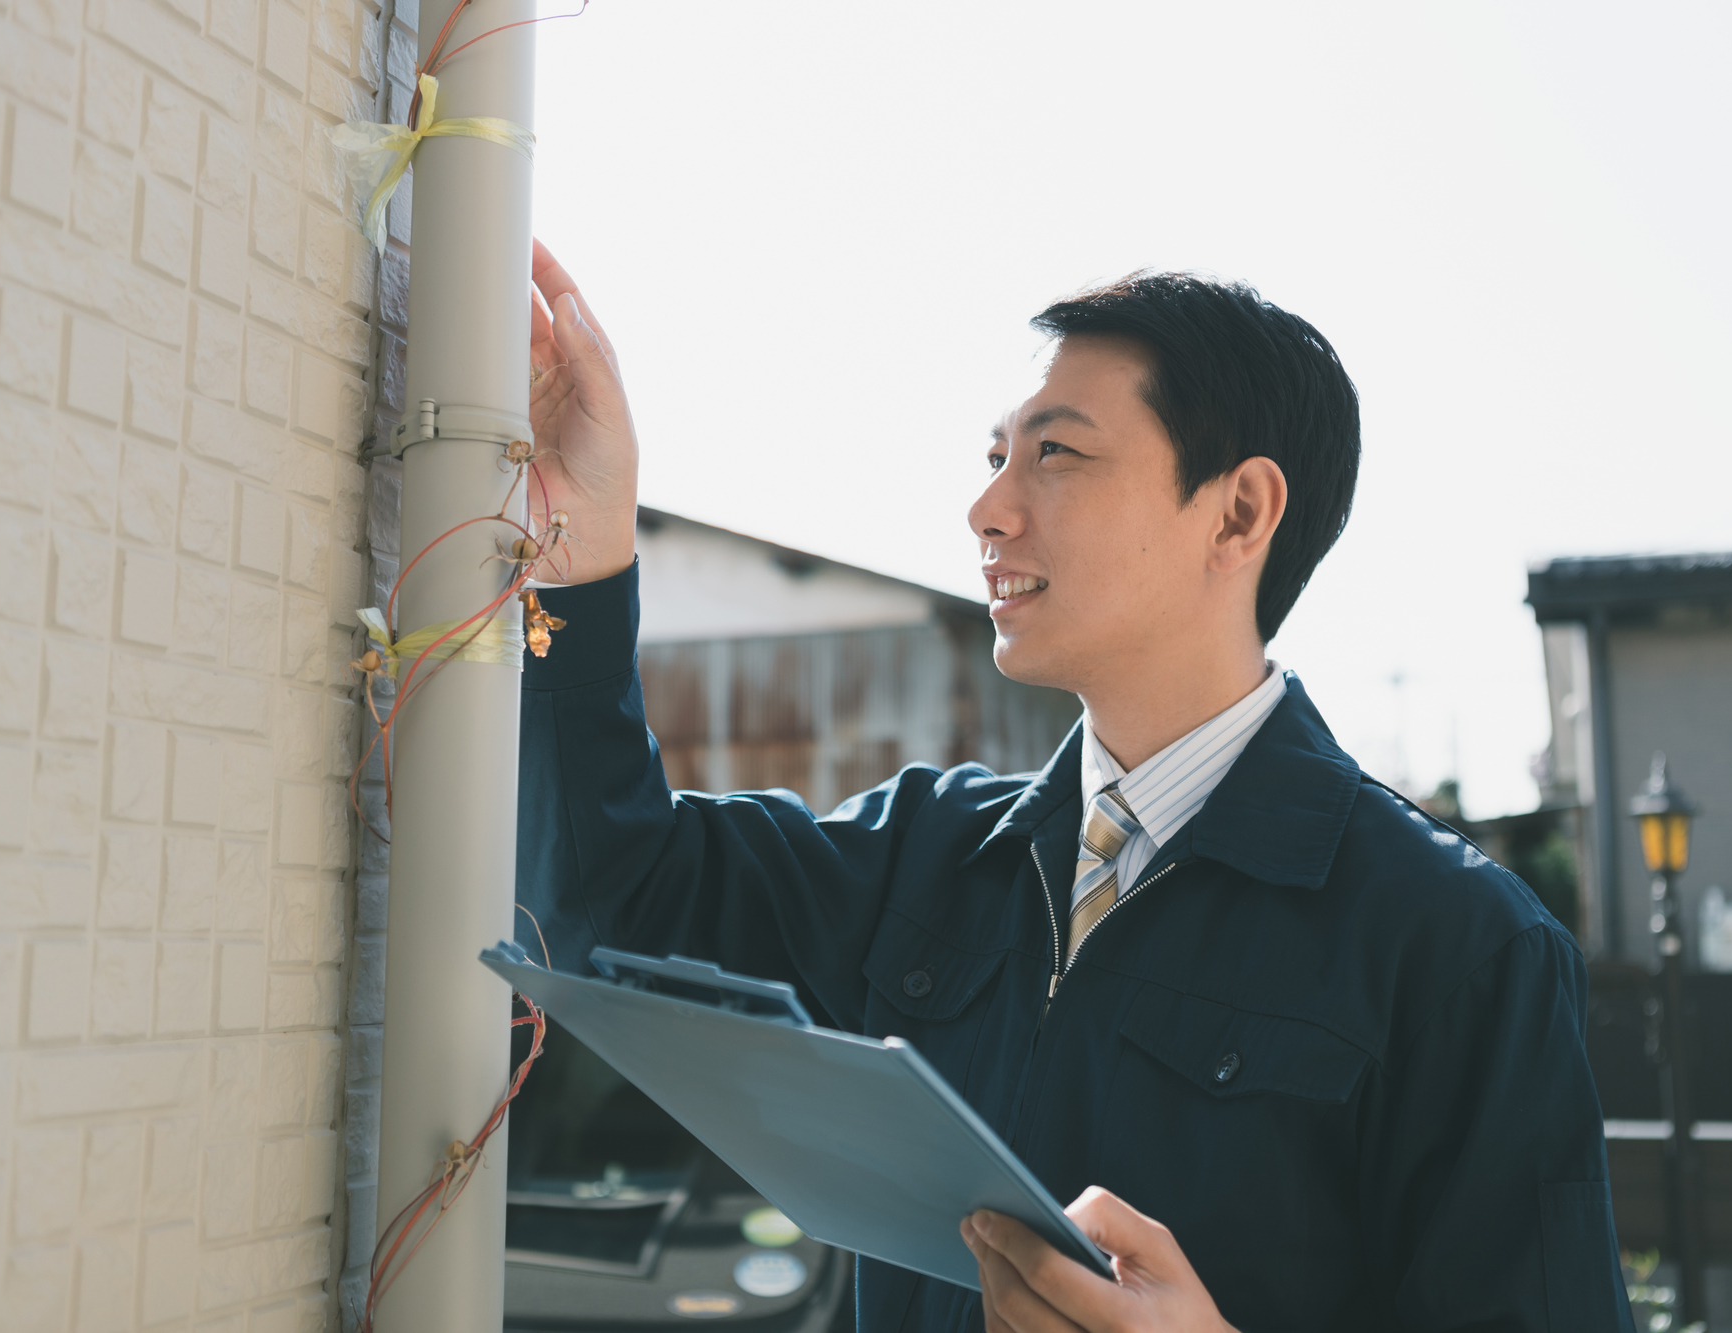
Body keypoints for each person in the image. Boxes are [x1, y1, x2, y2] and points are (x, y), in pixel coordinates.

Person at [515, 239, 1632, 1332]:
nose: (988, 509)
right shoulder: (925, 857)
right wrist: (582, 547)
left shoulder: (1458, 949)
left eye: (1054, 455)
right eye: (993, 455)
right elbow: (611, 897)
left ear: (1238, 512)